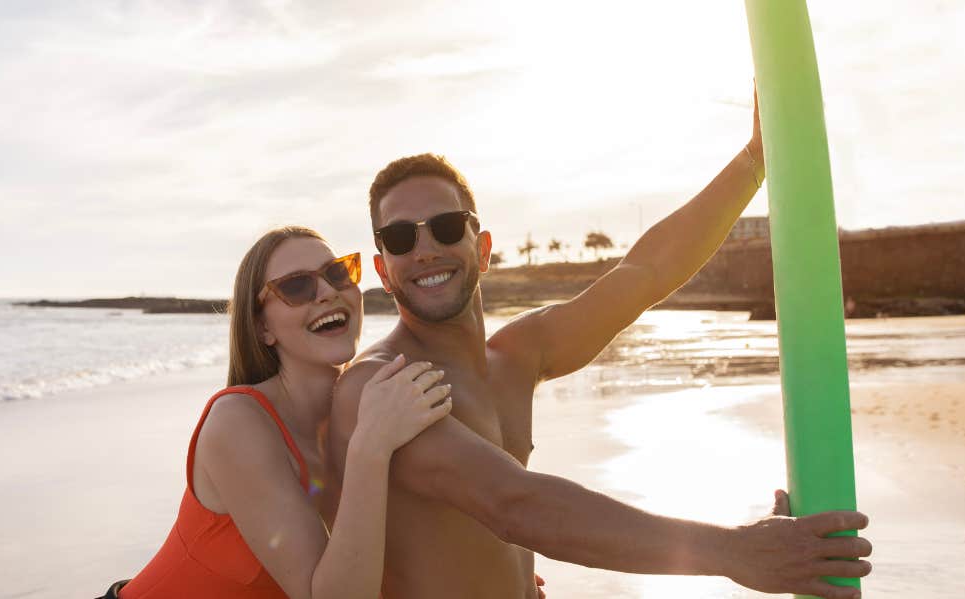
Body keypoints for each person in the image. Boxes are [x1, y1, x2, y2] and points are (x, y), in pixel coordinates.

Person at [328, 98, 873, 599]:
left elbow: (646, 272)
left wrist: (755, 160)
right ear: (382, 267)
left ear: (484, 247)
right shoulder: (380, 386)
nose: (424, 249)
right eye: (400, 239)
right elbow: (513, 504)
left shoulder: (517, 356)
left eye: (446, 228)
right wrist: (735, 551)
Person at [100, 226, 456, 599]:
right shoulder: (237, 421)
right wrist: (372, 448)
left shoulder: (369, 407)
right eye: (297, 287)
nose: (328, 292)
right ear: (262, 327)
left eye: (338, 273)